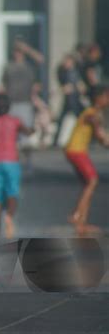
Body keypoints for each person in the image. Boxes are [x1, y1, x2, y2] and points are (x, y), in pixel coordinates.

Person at [0, 93, 33, 239]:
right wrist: (34, 129)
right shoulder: (15, 121)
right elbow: (27, 132)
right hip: (11, 162)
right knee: (12, 193)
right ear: (9, 107)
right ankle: (9, 216)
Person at [65, 84, 109, 235]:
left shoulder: (93, 112)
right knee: (92, 181)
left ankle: (81, 224)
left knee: (87, 184)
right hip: (76, 151)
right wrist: (103, 137)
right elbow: (99, 134)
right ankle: (77, 215)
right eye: (107, 96)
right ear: (99, 98)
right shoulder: (92, 113)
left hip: (75, 150)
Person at [2, 40, 44, 169]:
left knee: (26, 135)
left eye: (20, 51)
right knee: (11, 135)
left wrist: (26, 48)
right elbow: (4, 84)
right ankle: (14, 161)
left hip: (25, 103)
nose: (18, 54)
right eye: (16, 51)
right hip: (12, 103)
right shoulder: (8, 67)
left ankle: (28, 162)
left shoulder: (29, 66)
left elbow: (41, 59)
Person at [53, 53, 86, 146]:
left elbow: (79, 85)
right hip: (68, 100)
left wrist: (78, 88)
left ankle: (84, 138)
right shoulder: (63, 72)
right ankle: (56, 139)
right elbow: (64, 86)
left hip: (74, 100)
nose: (65, 63)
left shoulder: (75, 72)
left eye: (67, 61)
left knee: (80, 119)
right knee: (61, 120)